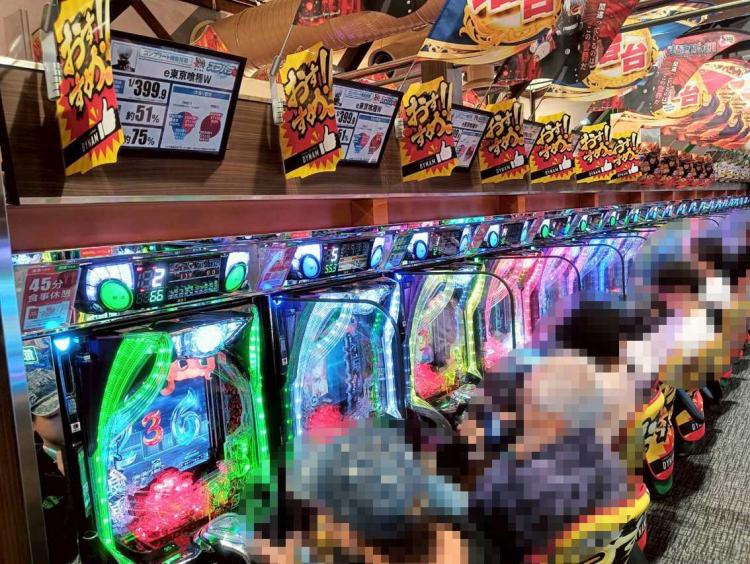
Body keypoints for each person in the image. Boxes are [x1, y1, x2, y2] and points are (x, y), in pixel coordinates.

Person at [26, 349, 79, 564]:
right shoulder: (31, 474)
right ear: (31, 423)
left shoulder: (92, 446)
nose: (65, 420)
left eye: (67, 410)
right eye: (53, 415)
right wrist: (70, 483)